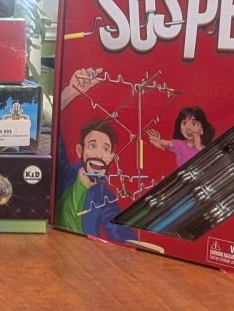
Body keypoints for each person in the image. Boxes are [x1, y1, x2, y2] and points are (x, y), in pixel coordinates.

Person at [55, 68, 136, 242]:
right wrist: (72, 90)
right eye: (93, 145)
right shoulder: (64, 172)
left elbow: (117, 228)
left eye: (106, 149)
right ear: (80, 151)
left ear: (111, 158)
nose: (99, 154)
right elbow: (52, 126)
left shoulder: (104, 197)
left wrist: (135, 244)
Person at [145, 106, 214, 168]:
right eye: (184, 123)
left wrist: (198, 144)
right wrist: (159, 141)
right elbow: (168, 143)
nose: (188, 127)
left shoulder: (208, 149)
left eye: (193, 124)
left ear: (202, 129)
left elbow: (208, 162)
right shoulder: (180, 144)